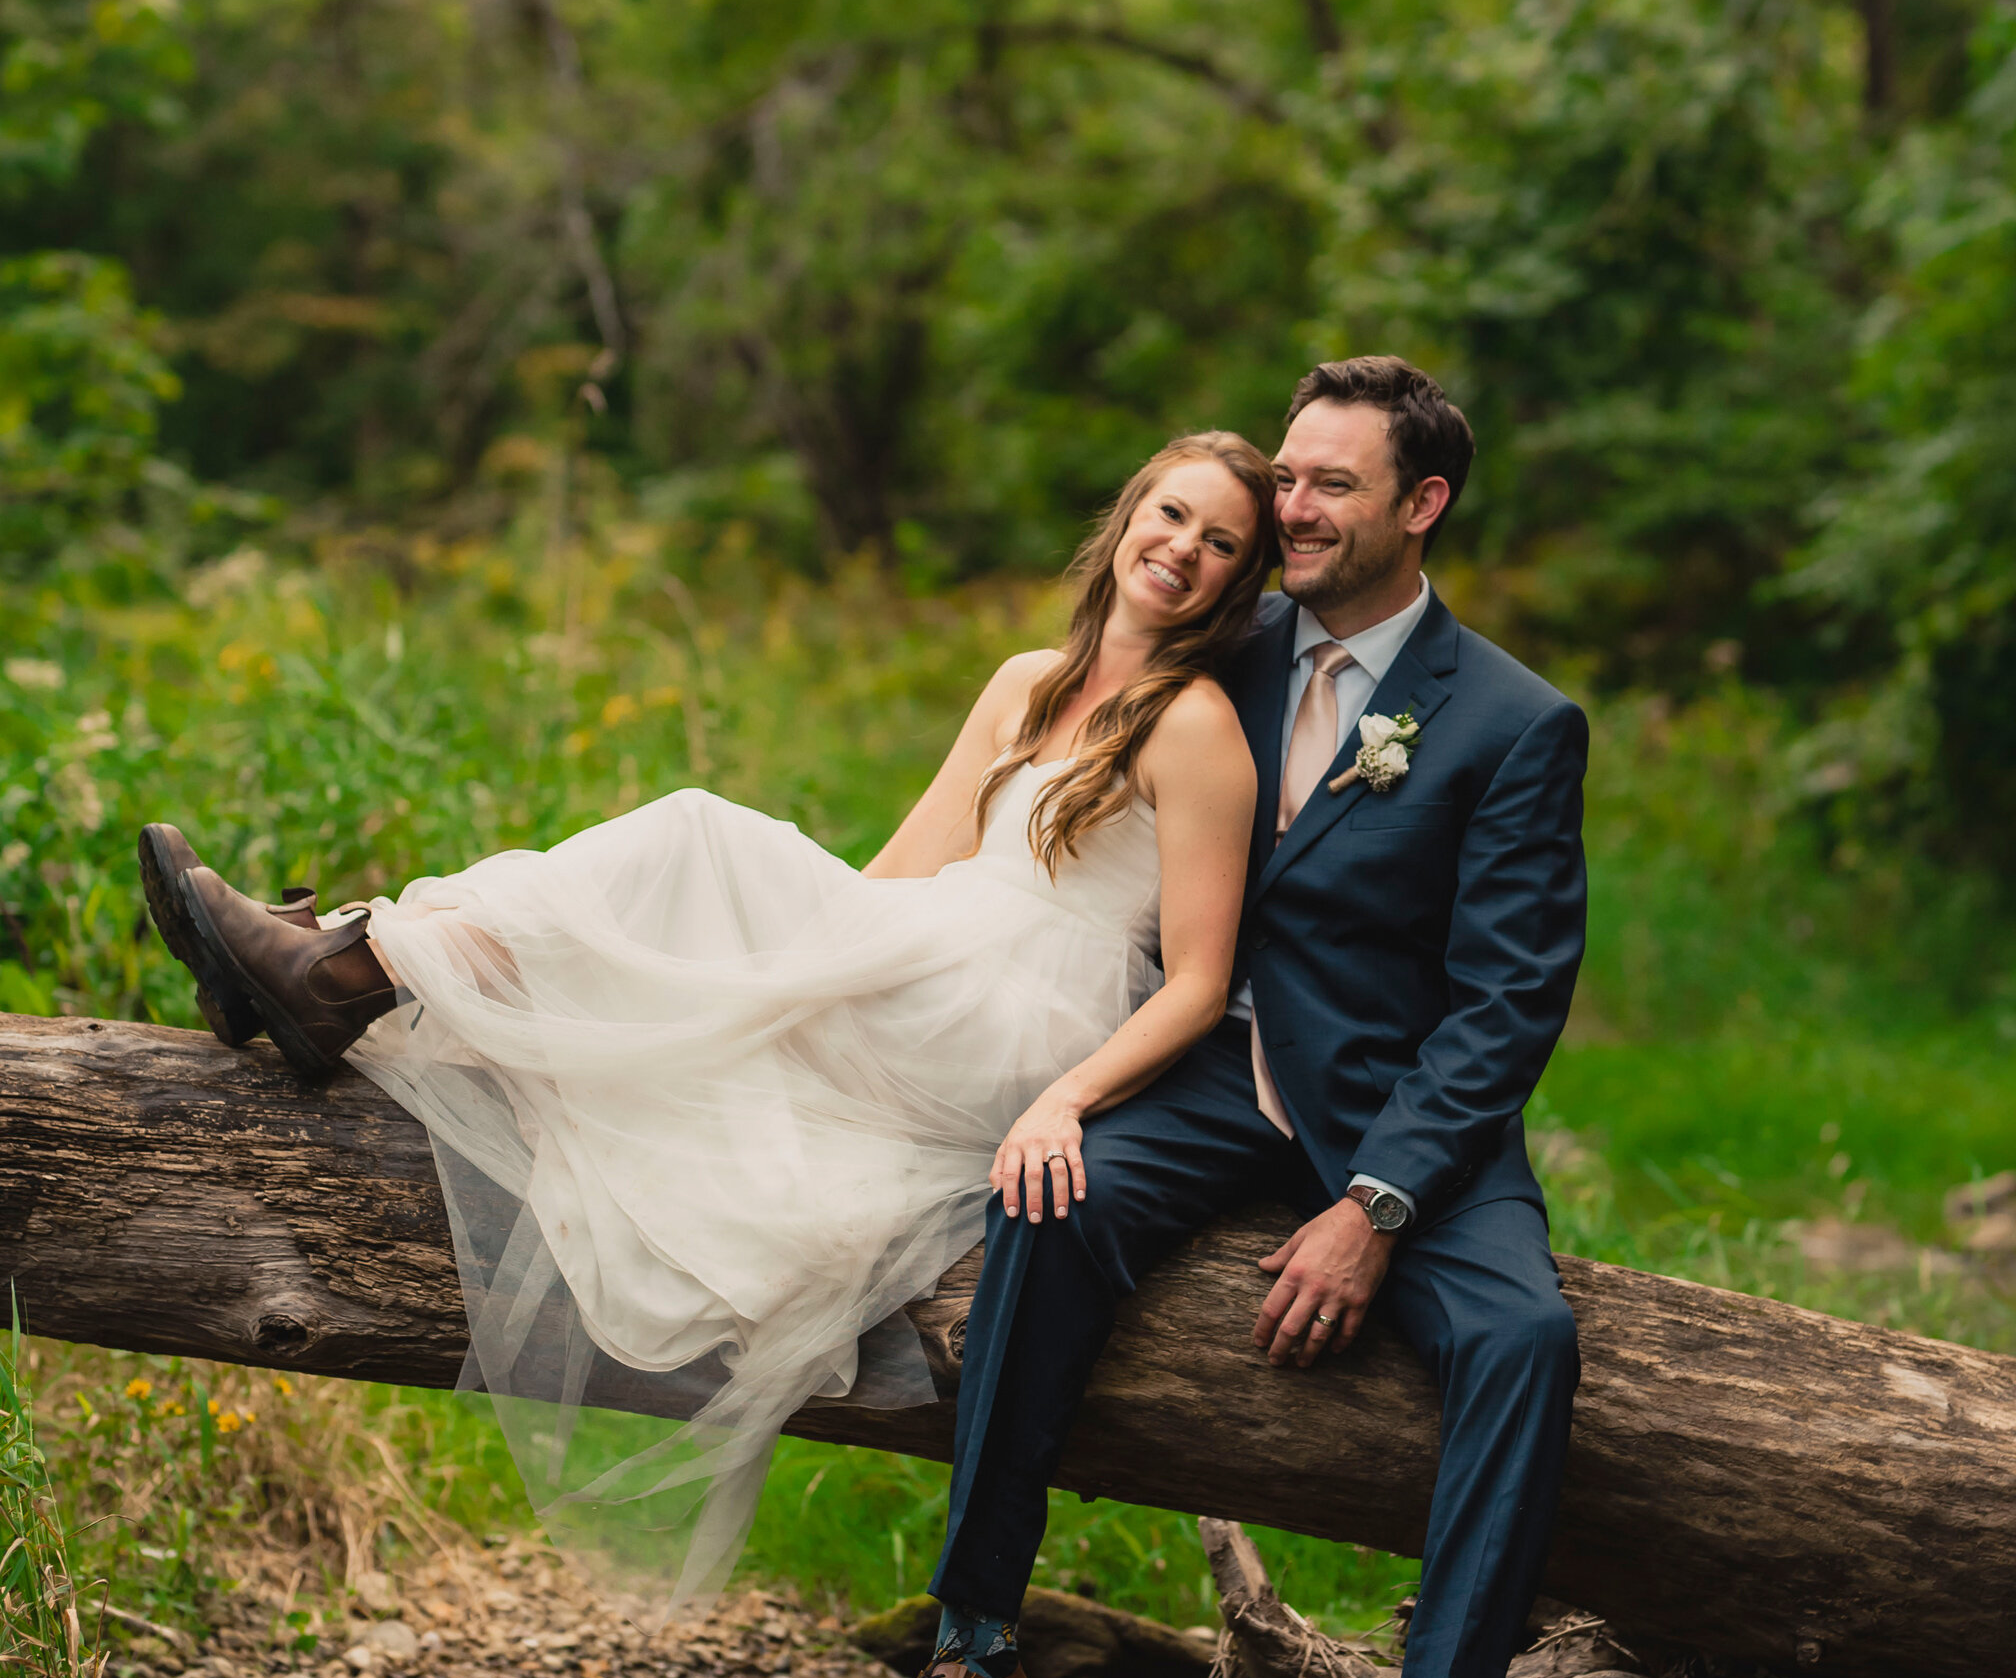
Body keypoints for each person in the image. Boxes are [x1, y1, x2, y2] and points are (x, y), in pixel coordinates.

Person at [138, 432, 1278, 1609]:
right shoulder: (1025, 678)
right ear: (1127, 513)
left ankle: (340, 970)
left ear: (1238, 583)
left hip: (1020, 1022)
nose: (1181, 549)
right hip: (938, 955)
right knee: (698, 894)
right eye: (1171, 514)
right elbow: (897, 872)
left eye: (1220, 543)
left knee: (692, 834)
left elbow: (1196, 981)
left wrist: (1065, 1097)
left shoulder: (1194, 727)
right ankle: (340, 971)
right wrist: (791, 945)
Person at [835, 356, 1587, 1678]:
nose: (1289, 508)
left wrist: (1379, 1203)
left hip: (1397, 1118)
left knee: (1525, 1339)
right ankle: (978, 1655)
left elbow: (1509, 1003)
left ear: (1421, 505)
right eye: (1285, 481)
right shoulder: (1219, 649)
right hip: (1207, 1080)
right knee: (1046, 1200)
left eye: (1328, 486)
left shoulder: (1515, 721)